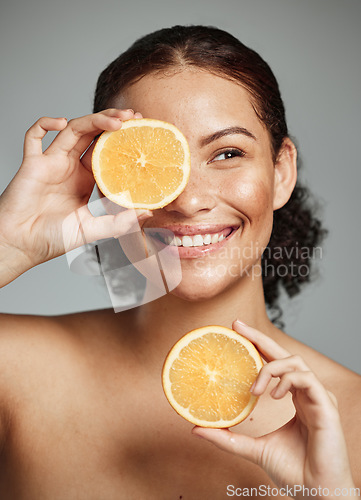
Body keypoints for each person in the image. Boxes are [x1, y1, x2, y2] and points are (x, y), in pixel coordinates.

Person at [0, 25, 360, 499]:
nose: (188, 202)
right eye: (151, 162)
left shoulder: (352, 417)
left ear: (280, 172)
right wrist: (12, 241)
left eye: (227, 153)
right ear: (105, 178)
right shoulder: (16, 373)